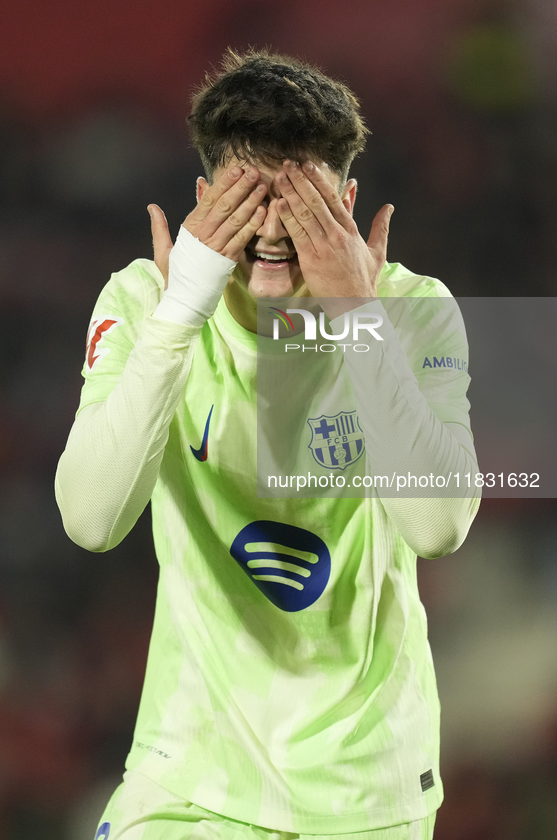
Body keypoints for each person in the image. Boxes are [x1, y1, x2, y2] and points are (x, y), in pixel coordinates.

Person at [55, 49, 480, 840]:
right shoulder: (147, 301)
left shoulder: (411, 310)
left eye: (307, 206)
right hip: (190, 780)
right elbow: (90, 518)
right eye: (251, 201)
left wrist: (356, 315)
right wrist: (182, 309)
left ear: (349, 204)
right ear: (202, 200)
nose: (276, 233)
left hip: (367, 791)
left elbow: (438, 527)